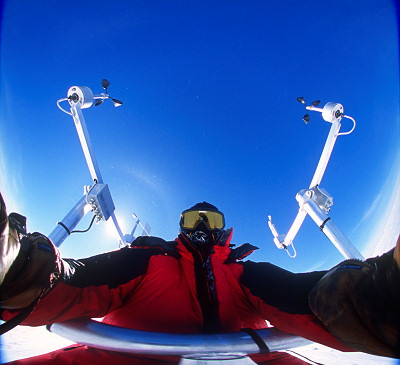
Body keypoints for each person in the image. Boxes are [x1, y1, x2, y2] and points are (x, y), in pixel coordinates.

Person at [0, 194, 399, 364]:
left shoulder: (245, 272)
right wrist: (18, 267)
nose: (203, 227)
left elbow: (308, 299)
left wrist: (382, 293)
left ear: (226, 230)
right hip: (123, 358)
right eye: (194, 220)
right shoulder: (144, 260)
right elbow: (69, 285)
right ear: (181, 226)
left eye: (212, 221)